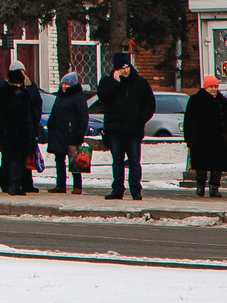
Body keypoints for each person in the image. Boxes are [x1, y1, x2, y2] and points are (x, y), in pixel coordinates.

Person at [96, 52, 154, 200]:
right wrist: (115, 82)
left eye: (127, 67)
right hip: (115, 129)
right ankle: (117, 189)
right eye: (122, 68)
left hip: (133, 130)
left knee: (134, 161)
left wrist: (140, 119)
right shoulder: (107, 82)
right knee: (117, 161)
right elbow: (104, 97)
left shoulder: (140, 83)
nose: (125, 70)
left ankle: (135, 189)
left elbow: (150, 104)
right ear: (116, 69)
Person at [184, 73, 227, 198]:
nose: (213, 89)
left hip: (219, 139)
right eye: (210, 87)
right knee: (202, 165)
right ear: (205, 87)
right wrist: (190, 139)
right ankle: (200, 186)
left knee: (218, 166)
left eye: (215, 86)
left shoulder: (221, 101)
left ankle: (214, 188)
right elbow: (189, 121)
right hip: (201, 139)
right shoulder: (196, 100)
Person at [0, 65, 42, 195]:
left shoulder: (11, 92)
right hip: (18, 133)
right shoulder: (18, 94)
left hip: (12, 133)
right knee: (15, 160)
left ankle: (15, 184)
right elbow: (25, 115)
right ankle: (13, 185)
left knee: (14, 160)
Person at [47, 72, 91, 195]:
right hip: (58, 133)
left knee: (75, 160)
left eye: (67, 84)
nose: (64, 86)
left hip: (72, 133)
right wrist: (51, 125)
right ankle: (60, 185)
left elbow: (83, 117)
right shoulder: (60, 96)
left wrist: (80, 133)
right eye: (63, 84)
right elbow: (54, 112)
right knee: (59, 160)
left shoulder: (78, 97)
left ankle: (77, 186)